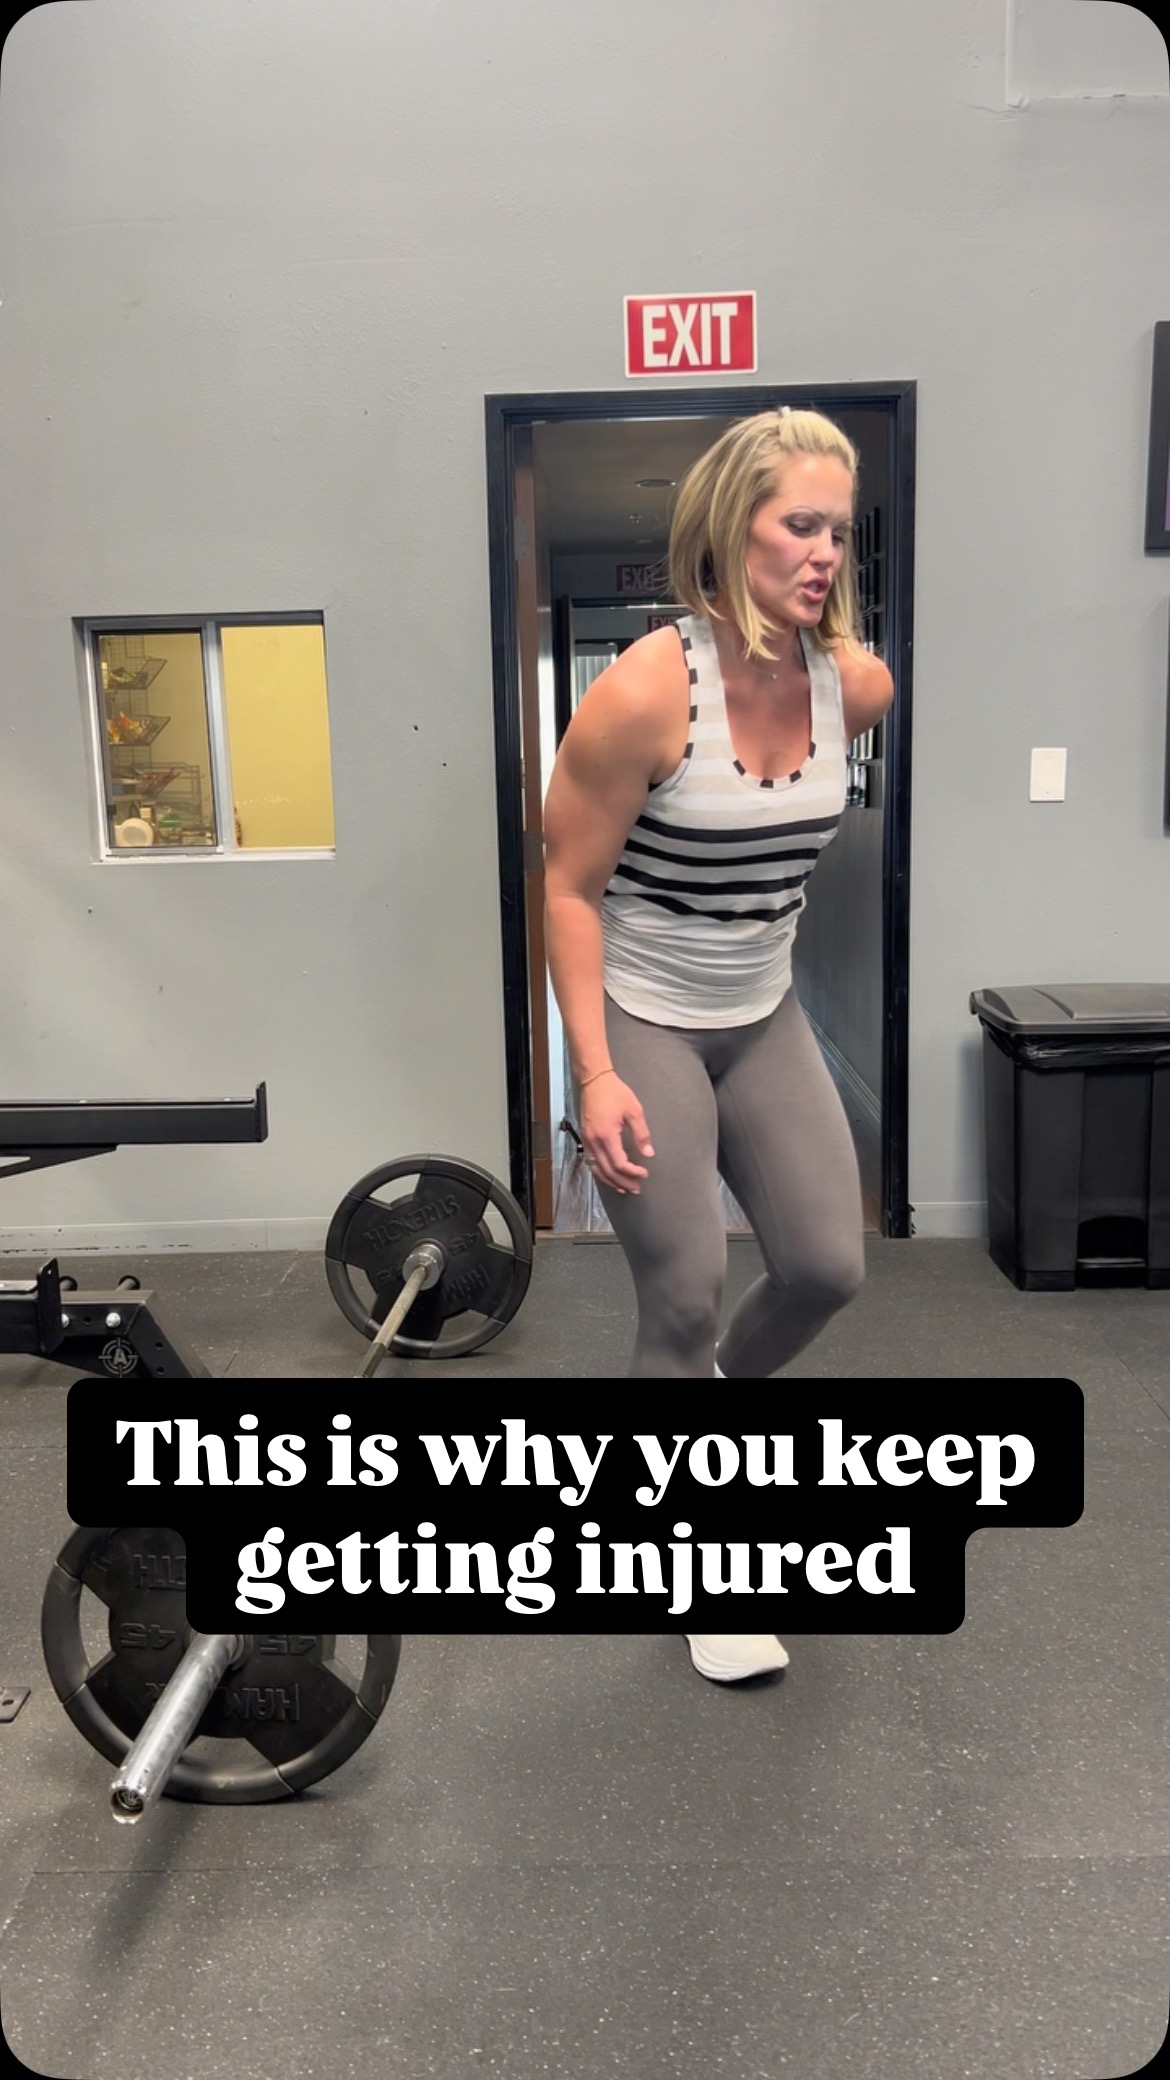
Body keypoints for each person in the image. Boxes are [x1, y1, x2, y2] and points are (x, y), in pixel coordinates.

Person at [542, 407, 895, 1681]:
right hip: (646, 1011)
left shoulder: (856, 687)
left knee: (825, 1267)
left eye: (837, 531)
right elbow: (567, 891)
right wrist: (593, 1073)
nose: (824, 553)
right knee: (684, 1294)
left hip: (762, 1011)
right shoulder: (643, 693)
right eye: (800, 524)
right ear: (731, 527)